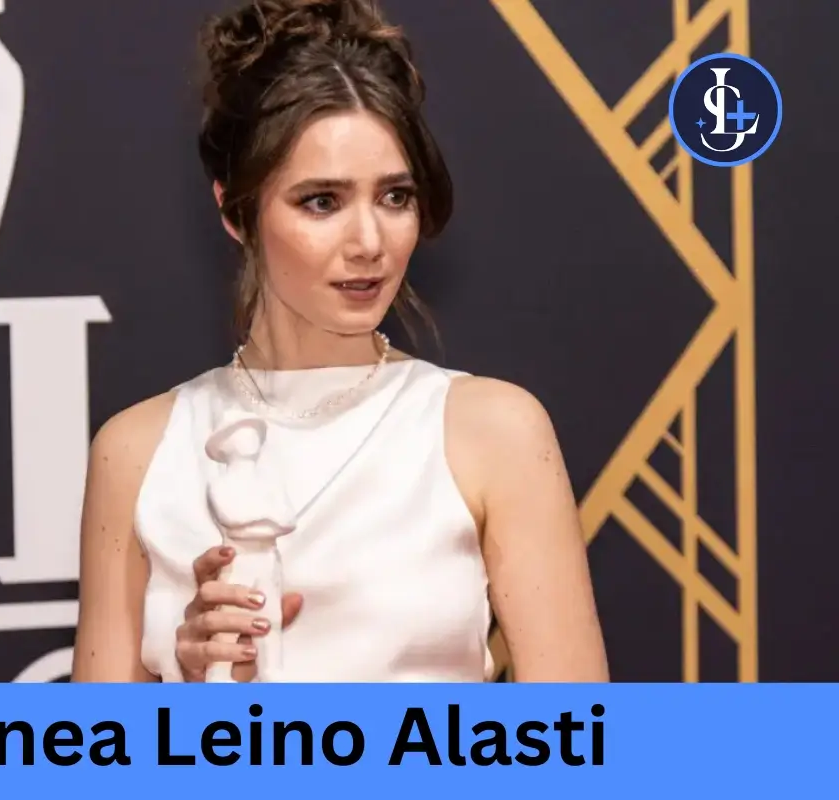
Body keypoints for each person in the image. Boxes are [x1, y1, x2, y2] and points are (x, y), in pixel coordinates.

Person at [71, 0, 608, 683]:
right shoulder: (137, 451)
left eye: (394, 196)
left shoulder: (491, 431)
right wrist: (192, 683)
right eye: (322, 201)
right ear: (235, 210)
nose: (369, 242)